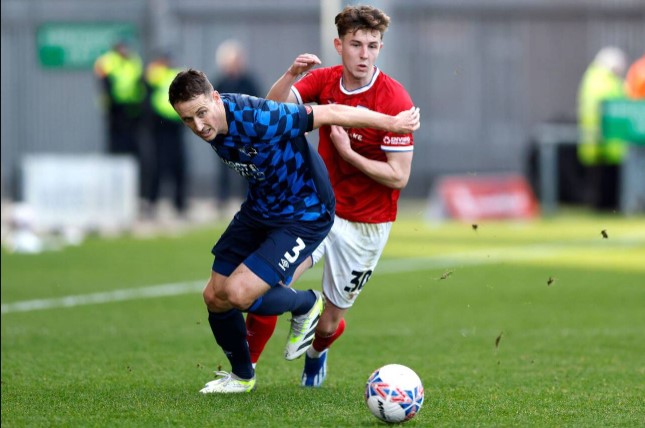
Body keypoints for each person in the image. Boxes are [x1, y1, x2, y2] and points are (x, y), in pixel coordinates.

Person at [168, 68, 420, 393]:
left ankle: (306, 304)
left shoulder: (257, 118)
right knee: (214, 297)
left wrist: (393, 123)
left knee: (239, 294)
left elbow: (330, 112)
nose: (198, 126)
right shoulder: (214, 124)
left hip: (305, 212)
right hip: (260, 209)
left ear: (216, 98)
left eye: (202, 113)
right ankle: (243, 377)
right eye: (187, 119)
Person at [245, 5, 417, 387]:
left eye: (372, 45)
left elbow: (398, 177)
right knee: (265, 280)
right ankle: (245, 371)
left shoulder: (394, 100)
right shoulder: (324, 81)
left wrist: (348, 154)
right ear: (339, 45)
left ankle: (318, 352)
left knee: (329, 322)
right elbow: (274, 112)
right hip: (317, 209)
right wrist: (291, 74)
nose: (364, 54)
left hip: (367, 224)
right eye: (356, 44)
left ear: (380, 47)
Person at [211, 40, 261, 216]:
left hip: (245, 133)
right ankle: (222, 199)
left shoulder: (249, 82)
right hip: (225, 135)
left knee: (248, 167)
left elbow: (258, 104)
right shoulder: (220, 83)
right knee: (223, 168)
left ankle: (247, 199)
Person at [577, 46, 628, 211]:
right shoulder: (603, 80)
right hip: (603, 138)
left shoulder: (593, 78)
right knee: (602, 180)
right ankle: (603, 207)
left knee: (601, 179)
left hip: (600, 139)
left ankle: (603, 207)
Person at [143, 52, 188, 219]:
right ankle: (152, 202)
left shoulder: (174, 75)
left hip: (175, 126)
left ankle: (179, 204)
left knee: (178, 166)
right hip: (158, 128)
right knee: (157, 167)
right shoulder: (155, 75)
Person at [94, 41, 146, 156]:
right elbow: (102, 79)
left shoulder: (134, 60)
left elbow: (139, 80)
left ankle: (130, 156)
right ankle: (116, 155)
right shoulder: (108, 60)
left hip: (132, 103)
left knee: (132, 134)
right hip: (114, 104)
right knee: (116, 133)